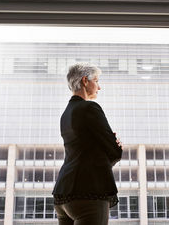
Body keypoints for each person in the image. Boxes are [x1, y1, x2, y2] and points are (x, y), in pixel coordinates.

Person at [52, 63, 123, 225]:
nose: (99, 87)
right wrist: (115, 144)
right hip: (88, 192)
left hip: (63, 194)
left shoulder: (66, 114)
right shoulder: (90, 107)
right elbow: (114, 151)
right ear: (85, 81)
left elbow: (83, 150)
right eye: (96, 81)